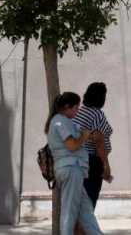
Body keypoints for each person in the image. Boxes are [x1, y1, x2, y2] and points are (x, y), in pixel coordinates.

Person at [46, 92, 104, 235]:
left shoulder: (65, 121)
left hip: (74, 169)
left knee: (86, 211)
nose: (78, 111)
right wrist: (84, 137)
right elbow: (72, 145)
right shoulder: (60, 121)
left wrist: (88, 135)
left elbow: (77, 138)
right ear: (67, 107)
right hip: (71, 168)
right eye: (76, 108)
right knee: (69, 210)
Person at [72, 82, 114, 209]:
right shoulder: (97, 114)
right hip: (90, 163)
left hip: (74, 160)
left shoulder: (79, 111)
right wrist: (106, 165)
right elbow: (99, 140)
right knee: (88, 203)